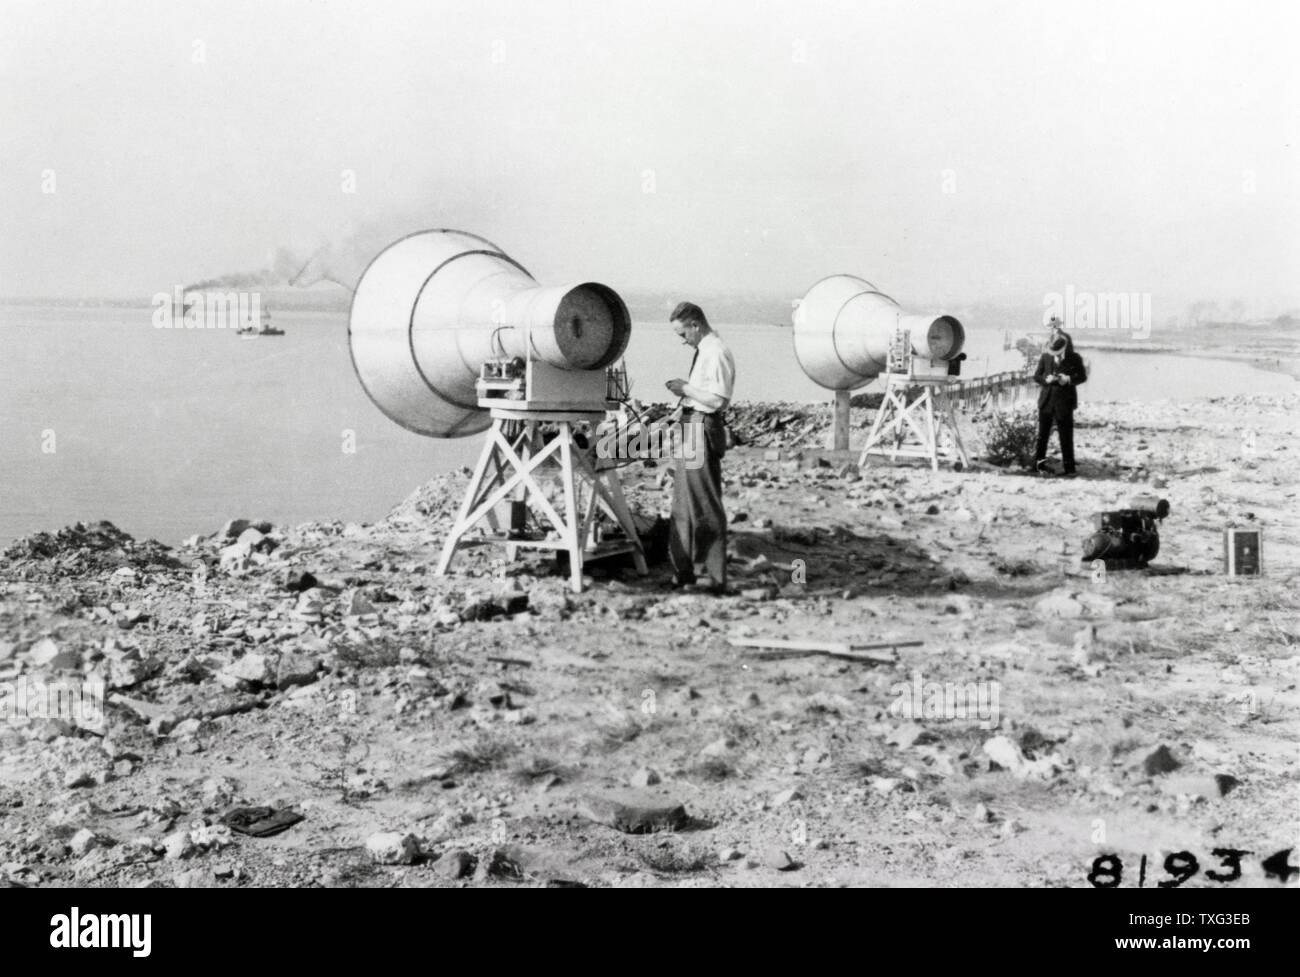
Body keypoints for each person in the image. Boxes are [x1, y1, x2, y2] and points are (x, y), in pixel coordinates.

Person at [664, 302, 735, 593]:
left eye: (684, 334)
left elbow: (718, 400)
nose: (683, 340)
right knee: (683, 502)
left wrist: (685, 389)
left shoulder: (715, 351)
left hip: (702, 427)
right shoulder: (704, 351)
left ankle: (713, 575)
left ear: (695, 324)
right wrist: (682, 406)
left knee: (704, 502)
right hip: (693, 424)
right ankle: (684, 570)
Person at [1033, 320, 1087, 476]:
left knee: (1066, 437)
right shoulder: (1045, 357)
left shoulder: (1075, 358)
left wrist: (1068, 379)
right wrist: (1046, 380)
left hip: (1065, 402)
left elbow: (1082, 377)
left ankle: (1069, 469)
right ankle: (1038, 466)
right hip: (1046, 401)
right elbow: (1036, 376)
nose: (1055, 355)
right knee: (1042, 437)